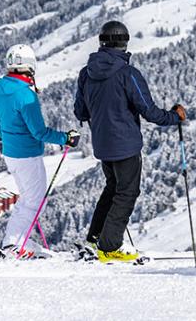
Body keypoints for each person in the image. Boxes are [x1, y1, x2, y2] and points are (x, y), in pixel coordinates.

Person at [74, 19, 186, 263]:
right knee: (127, 192)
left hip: (102, 145)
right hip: (125, 145)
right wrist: (175, 117)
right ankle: (109, 247)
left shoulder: (86, 73)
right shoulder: (128, 74)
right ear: (124, 44)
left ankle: (94, 239)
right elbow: (149, 112)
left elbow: (80, 112)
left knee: (112, 189)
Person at [0, 42, 79, 254]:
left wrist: (8, 139)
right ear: (30, 66)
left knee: (29, 198)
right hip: (27, 154)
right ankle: (14, 243)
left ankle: (18, 241)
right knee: (34, 201)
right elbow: (38, 131)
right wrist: (65, 138)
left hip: (10, 153)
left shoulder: (0, 89)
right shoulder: (25, 95)